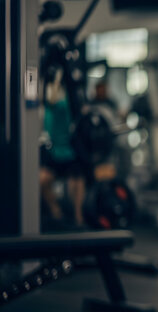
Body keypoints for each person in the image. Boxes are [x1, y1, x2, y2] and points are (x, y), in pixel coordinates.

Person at [40, 67, 86, 228]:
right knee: (42, 180)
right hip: (54, 153)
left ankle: (78, 216)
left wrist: (59, 78)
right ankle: (55, 210)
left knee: (77, 180)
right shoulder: (47, 107)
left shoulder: (66, 105)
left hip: (69, 152)